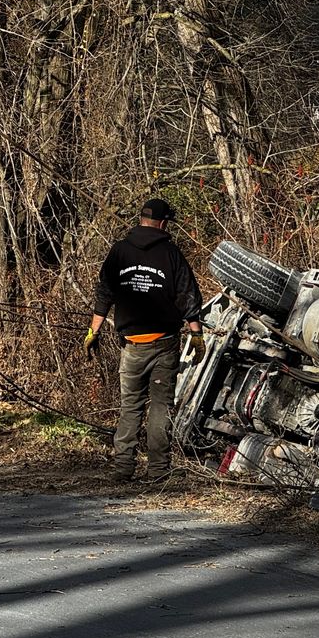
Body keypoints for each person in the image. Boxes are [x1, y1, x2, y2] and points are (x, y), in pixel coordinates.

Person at [87, 198, 203, 483]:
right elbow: (188, 297)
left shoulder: (119, 252)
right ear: (163, 224)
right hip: (165, 344)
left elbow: (104, 294)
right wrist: (197, 334)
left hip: (132, 346)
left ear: (141, 220)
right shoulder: (171, 253)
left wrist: (93, 332)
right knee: (161, 407)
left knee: (131, 408)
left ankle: (123, 469)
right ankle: (158, 471)